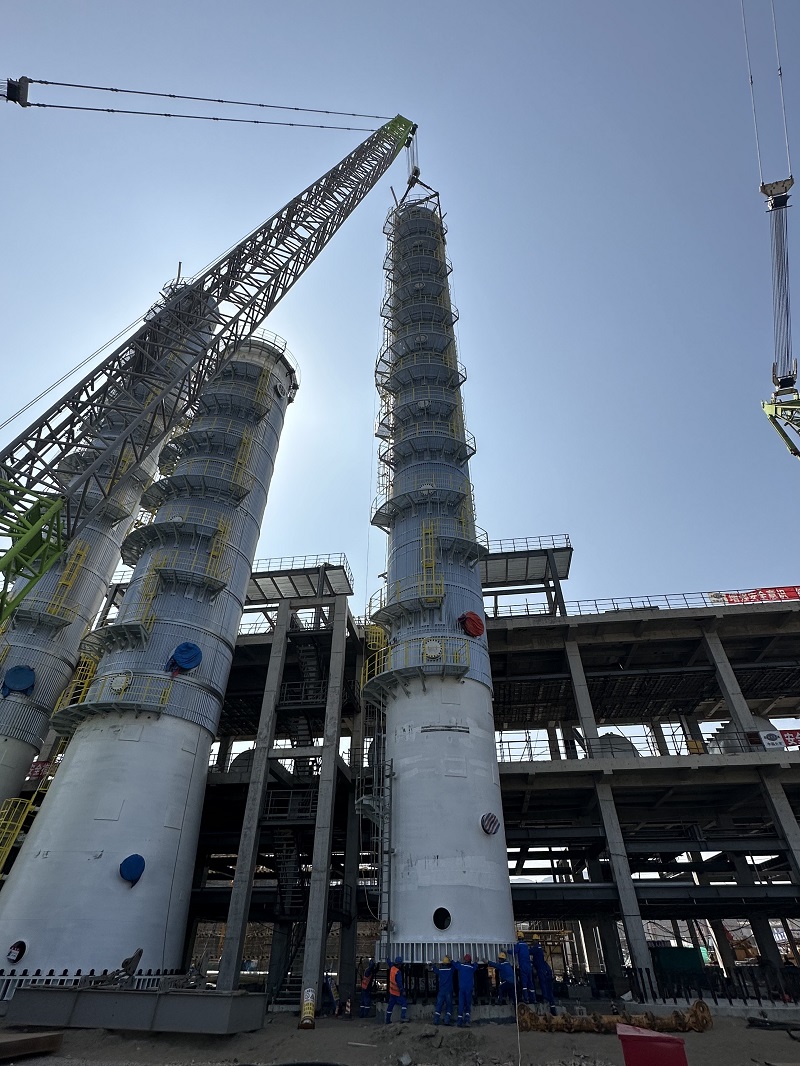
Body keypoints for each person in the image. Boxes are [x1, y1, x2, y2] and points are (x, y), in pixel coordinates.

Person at [452, 952, 478, 1026]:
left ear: (464, 960)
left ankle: (459, 1021)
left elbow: (455, 964)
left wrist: (453, 960)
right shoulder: (472, 968)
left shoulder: (461, 966)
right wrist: (476, 961)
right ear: (470, 961)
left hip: (462, 988)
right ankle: (467, 1021)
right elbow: (475, 966)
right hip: (469, 989)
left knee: (461, 1003)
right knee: (468, 1004)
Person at [531, 940, 557, 1013]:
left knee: (544, 986)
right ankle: (553, 1009)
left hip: (545, 975)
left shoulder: (536, 949)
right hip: (548, 977)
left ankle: (546, 1000)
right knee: (549, 992)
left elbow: (529, 951)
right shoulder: (544, 963)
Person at [513, 932, 536, 1004]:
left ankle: (526, 999)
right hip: (529, 966)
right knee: (530, 983)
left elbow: (514, 952)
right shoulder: (526, 945)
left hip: (523, 966)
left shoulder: (518, 945)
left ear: (518, 938)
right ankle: (533, 999)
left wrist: (506, 951)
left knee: (524, 983)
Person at [432, 955, 453, 1025]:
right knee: (449, 1006)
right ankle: (447, 1020)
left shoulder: (440, 971)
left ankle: (436, 1020)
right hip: (448, 991)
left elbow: (435, 970)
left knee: (439, 1005)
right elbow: (455, 966)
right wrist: (451, 960)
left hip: (441, 991)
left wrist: (433, 964)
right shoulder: (450, 970)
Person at [385, 955, 408, 1024]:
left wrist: (387, 958)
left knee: (390, 1007)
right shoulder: (398, 972)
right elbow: (399, 983)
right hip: (397, 993)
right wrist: (403, 991)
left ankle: (387, 1020)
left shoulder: (392, 968)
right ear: (399, 964)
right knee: (404, 1003)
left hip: (392, 992)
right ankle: (403, 1017)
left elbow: (389, 963)